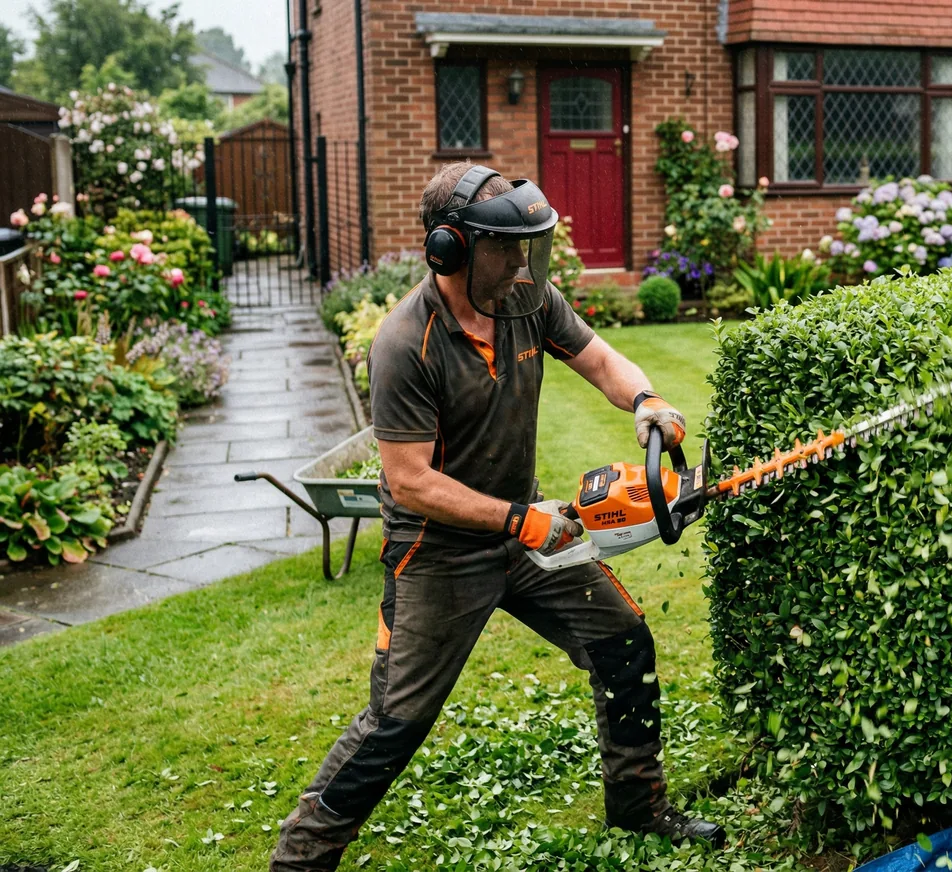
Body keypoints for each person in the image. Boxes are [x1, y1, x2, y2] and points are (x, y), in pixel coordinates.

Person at [270, 162, 724, 870]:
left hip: (526, 532)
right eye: (505, 248)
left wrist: (646, 401)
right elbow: (410, 481)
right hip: (439, 554)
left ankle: (638, 808)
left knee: (623, 641)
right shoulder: (405, 344)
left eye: (527, 247)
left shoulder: (527, 299)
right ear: (449, 248)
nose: (521, 263)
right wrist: (519, 522)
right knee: (397, 721)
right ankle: (301, 856)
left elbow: (602, 361)